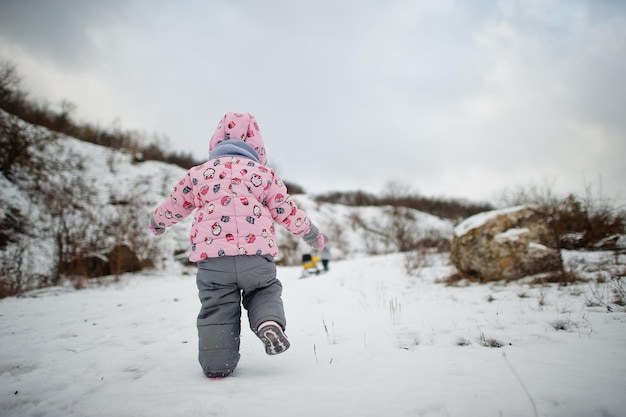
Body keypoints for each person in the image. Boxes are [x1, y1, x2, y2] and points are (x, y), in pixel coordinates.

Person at [149, 112, 324, 378]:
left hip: (213, 262)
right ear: (258, 147)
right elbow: (286, 211)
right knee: (263, 291)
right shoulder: (265, 175)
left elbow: (175, 205)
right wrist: (310, 232)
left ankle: (217, 365)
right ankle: (268, 322)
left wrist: (157, 222)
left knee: (217, 306)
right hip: (256, 258)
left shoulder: (199, 175)